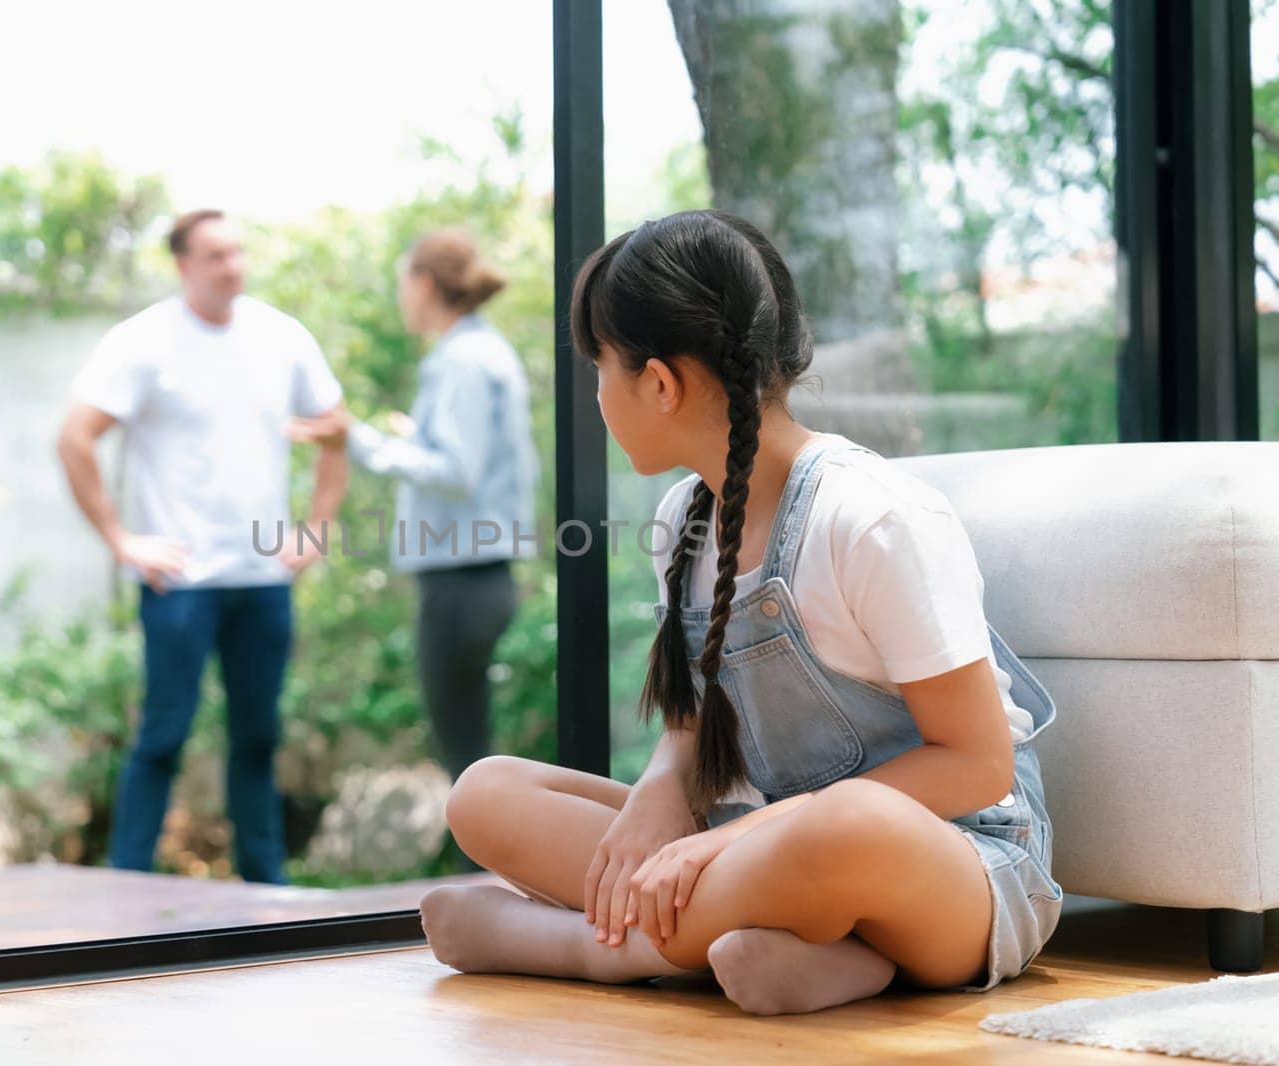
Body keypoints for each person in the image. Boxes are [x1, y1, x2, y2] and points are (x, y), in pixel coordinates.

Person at [414, 210, 1062, 1015]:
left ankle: (594, 949)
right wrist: (661, 789)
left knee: (848, 823)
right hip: (763, 845)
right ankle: (817, 955)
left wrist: (732, 838)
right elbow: (693, 724)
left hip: (957, 862)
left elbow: (976, 765)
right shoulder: (683, 517)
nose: (597, 396)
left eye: (600, 369)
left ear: (659, 383)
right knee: (485, 792)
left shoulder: (873, 518)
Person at [57, 208, 348, 885]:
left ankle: (266, 892)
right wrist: (121, 539)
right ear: (183, 265)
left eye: (239, 252)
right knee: (161, 737)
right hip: (180, 583)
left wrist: (318, 526)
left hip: (262, 578)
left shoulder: (282, 336)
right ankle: (125, 887)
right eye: (216, 255)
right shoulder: (143, 342)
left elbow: (337, 431)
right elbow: (75, 437)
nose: (233, 266)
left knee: (257, 739)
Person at [287, 228, 538, 866]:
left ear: (425, 284)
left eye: (404, 284)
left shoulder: (459, 359)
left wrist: (361, 438)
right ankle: (492, 888)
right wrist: (411, 436)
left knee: (468, 761)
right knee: (473, 752)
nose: (403, 297)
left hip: (462, 580)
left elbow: (457, 470)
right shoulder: (482, 351)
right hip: (478, 575)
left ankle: (485, 890)